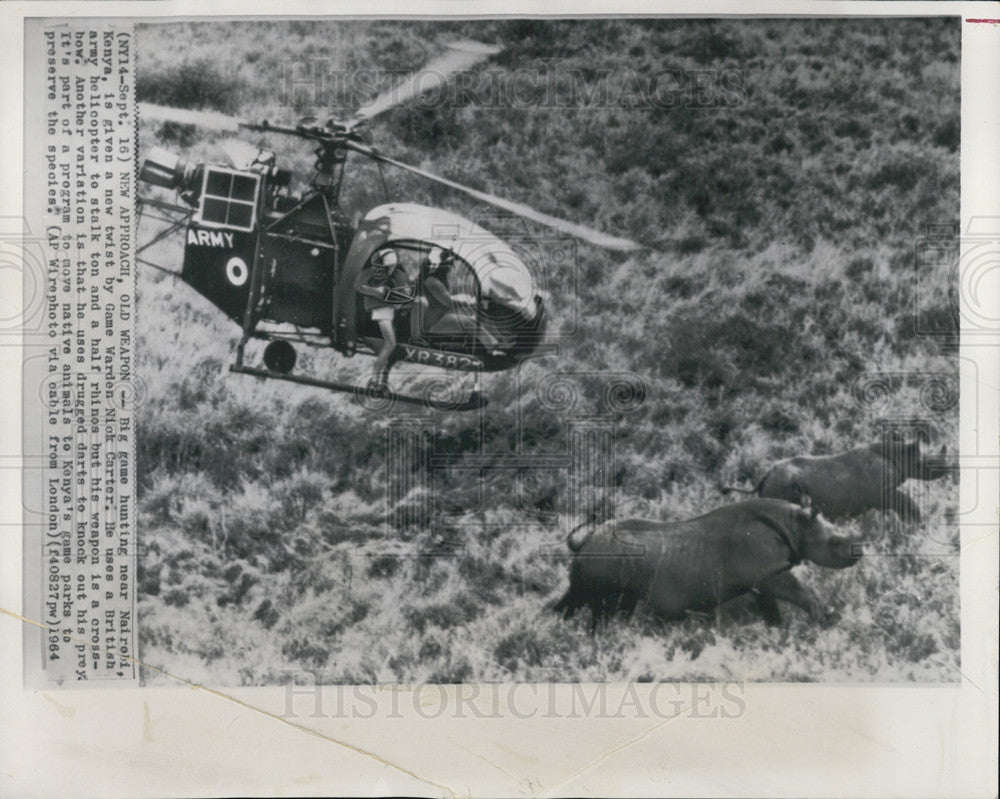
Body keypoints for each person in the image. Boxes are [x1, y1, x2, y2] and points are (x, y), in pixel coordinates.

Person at [409, 247, 505, 355]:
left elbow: (448, 298)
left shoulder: (435, 280)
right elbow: (449, 302)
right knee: (470, 322)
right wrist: (468, 302)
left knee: (475, 313)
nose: (450, 268)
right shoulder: (432, 282)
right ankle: (493, 349)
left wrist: (468, 301)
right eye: (449, 265)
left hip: (438, 316)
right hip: (434, 322)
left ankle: (499, 340)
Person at [354, 247, 413, 391]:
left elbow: (406, 294)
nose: (378, 271)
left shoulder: (397, 275)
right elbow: (358, 285)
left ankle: (381, 382)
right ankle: (375, 381)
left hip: (390, 312)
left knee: (392, 347)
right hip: (381, 311)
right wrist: (377, 292)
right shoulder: (373, 273)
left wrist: (398, 297)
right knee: (390, 344)